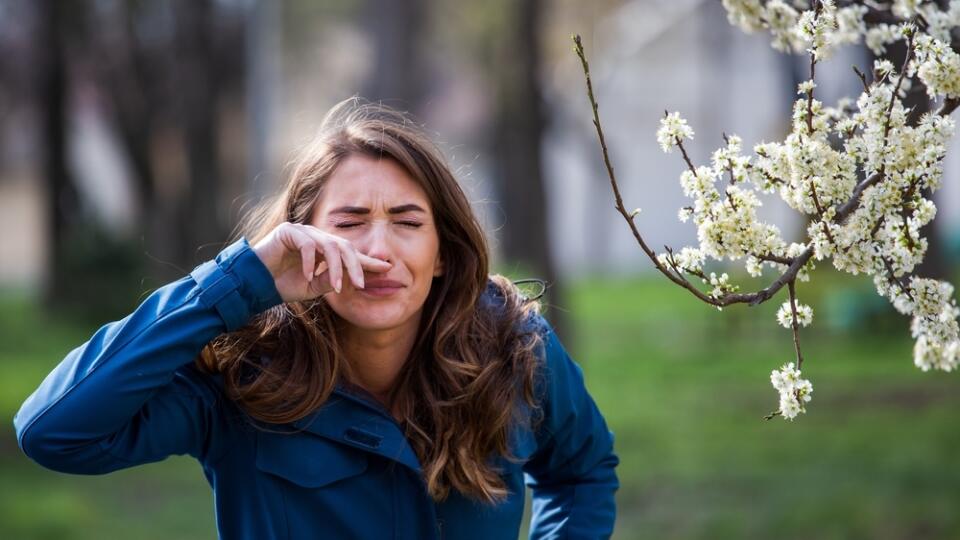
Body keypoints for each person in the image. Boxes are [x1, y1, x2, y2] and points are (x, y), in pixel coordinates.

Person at [13, 98, 619, 539]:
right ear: (300, 242)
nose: (377, 251)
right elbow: (54, 431)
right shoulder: (243, 372)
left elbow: (582, 471)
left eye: (408, 223)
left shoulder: (511, 346)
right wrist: (237, 280)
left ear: (442, 255)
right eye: (349, 223)